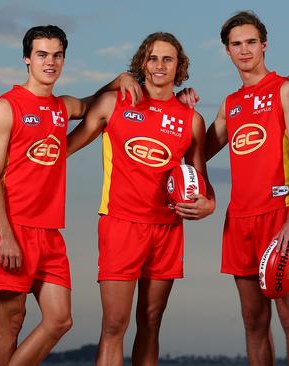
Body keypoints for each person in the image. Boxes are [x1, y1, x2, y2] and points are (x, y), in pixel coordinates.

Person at [0, 25, 140, 366]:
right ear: (27, 59)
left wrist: (118, 80)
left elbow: (87, 104)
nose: (49, 62)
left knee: (60, 319)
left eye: (57, 55)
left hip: (48, 230)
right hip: (9, 226)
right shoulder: (6, 107)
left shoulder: (60, 107)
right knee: (11, 321)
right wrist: (6, 235)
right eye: (41, 54)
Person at [66, 32, 215, 366]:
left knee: (150, 323)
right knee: (114, 325)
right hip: (121, 225)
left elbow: (201, 179)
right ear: (141, 63)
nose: (159, 65)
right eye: (152, 58)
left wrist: (209, 203)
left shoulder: (191, 119)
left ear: (180, 68)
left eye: (167, 59)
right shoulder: (114, 103)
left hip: (167, 230)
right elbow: (62, 150)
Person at [201, 11, 289, 366]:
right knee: (253, 322)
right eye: (236, 44)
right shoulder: (230, 105)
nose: (244, 49)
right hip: (240, 221)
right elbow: (196, 151)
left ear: (264, 45)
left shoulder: (286, 90)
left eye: (251, 42)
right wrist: (183, 107)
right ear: (228, 51)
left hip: (280, 218)